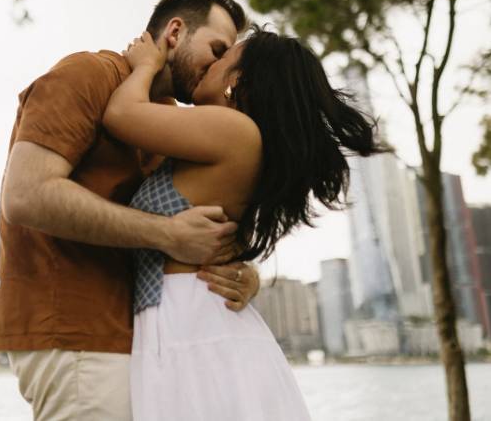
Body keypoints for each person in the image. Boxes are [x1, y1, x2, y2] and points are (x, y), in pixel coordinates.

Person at [0, 0, 262, 420]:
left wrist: (244, 273)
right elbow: (26, 196)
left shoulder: (163, 121)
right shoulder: (89, 75)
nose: (221, 68)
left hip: (137, 336)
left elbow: (196, 215)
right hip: (75, 329)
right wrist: (167, 235)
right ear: (175, 32)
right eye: (217, 49)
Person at [103, 26, 384, 420]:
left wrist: (145, 67)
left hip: (190, 321)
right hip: (189, 317)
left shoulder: (235, 132)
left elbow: (120, 114)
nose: (211, 63)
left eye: (223, 58)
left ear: (237, 82)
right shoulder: (233, 140)